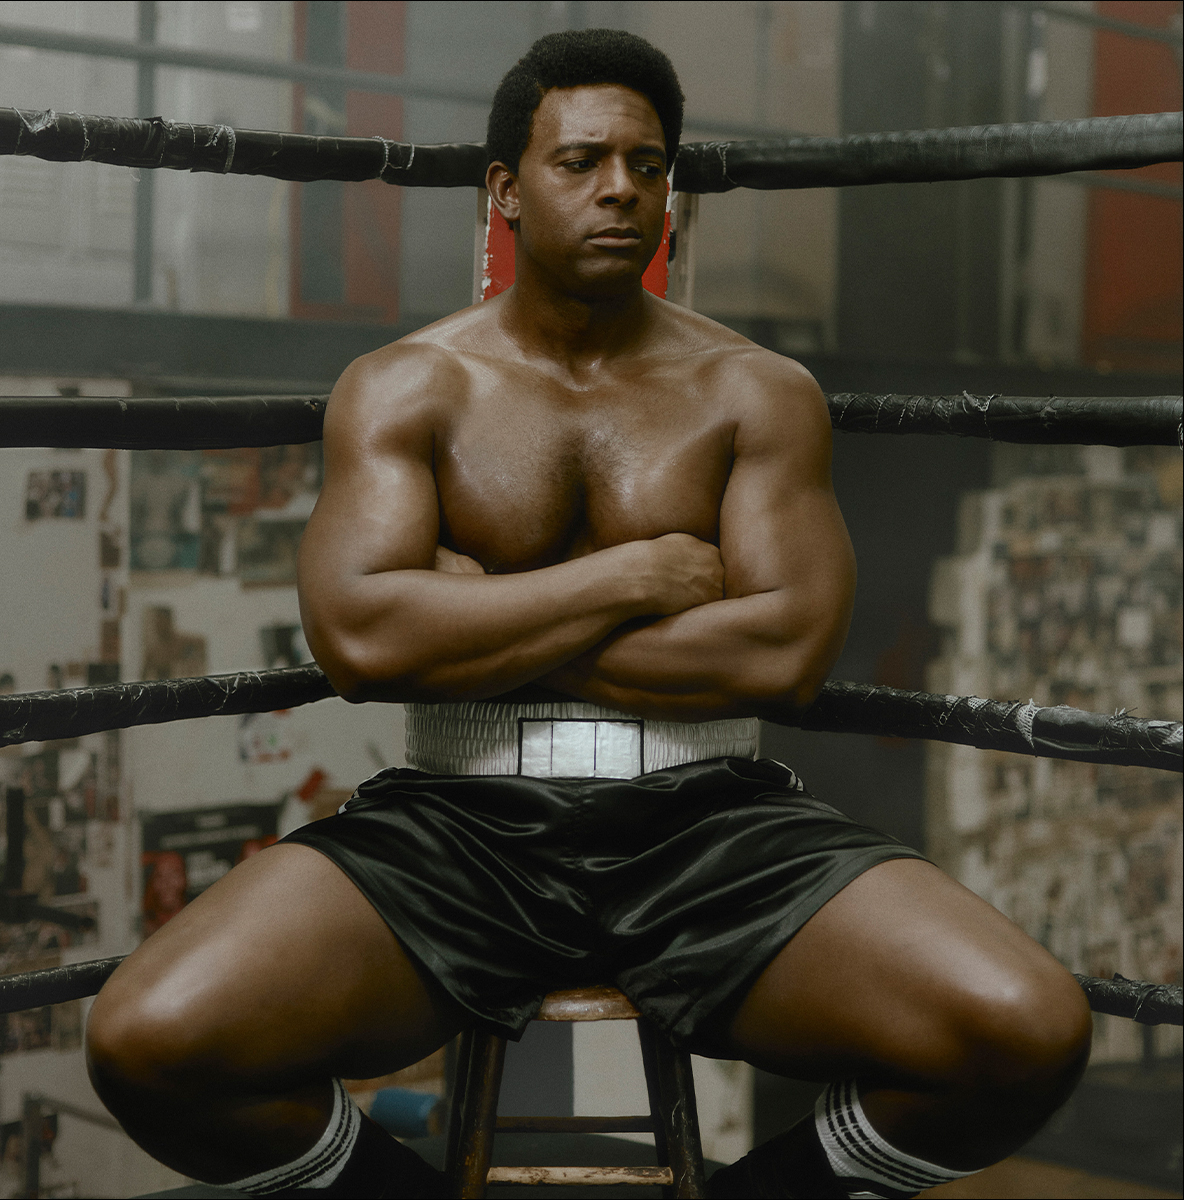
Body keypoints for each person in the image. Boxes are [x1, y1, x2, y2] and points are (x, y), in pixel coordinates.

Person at [85, 29, 1092, 1200]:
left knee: (1028, 1028)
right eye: (582, 162)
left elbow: (786, 653)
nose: (622, 188)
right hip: (457, 823)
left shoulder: (756, 392)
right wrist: (629, 579)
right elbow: (361, 643)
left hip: (710, 821)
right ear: (506, 191)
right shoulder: (407, 386)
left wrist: (475, 619)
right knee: (149, 1040)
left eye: (648, 164)